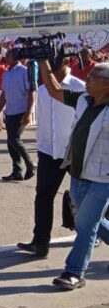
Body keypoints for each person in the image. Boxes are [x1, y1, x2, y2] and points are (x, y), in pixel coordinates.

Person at [38, 59, 109, 290]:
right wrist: (43, 62)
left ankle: (74, 272)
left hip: (103, 179)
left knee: (86, 226)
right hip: (78, 174)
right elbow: (54, 89)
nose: (86, 80)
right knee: (88, 221)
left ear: (107, 84)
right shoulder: (83, 100)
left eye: (92, 77)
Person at [18, 58, 85, 258]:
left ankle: (94, 234)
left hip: (75, 153)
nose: (50, 73)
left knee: (82, 200)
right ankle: (40, 243)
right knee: (43, 198)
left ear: (66, 63)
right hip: (49, 152)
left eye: (53, 68)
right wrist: (41, 147)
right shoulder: (44, 90)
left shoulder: (80, 88)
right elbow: (45, 122)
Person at [0, 50, 35, 181]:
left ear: (15, 57)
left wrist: (28, 113)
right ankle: (17, 170)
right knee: (10, 142)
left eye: (8, 56)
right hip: (10, 111)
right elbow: (3, 95)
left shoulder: (24, 72)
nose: (5, 58)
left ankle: (30, 164)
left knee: (14, 138)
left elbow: (31, 94)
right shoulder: (6, 73)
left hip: (21, 111)